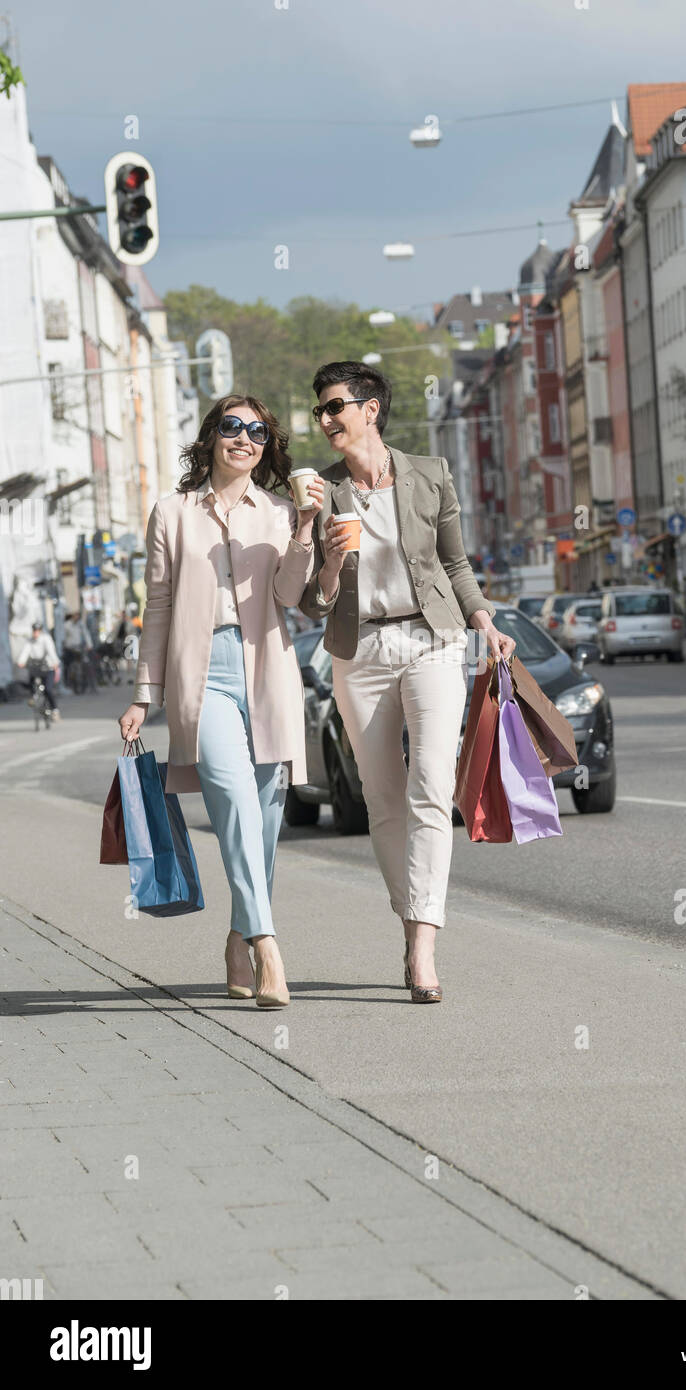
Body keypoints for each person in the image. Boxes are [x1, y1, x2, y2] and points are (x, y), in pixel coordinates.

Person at [298, 361, 516, 1004]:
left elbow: (454, 561)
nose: (326, 419)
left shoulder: (430, 474)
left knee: (430, 784)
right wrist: (328, 557)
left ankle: (423, 946)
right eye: (319, 410)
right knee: (381, 796)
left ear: (370, 408)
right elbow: (313, 602)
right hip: (359, 648)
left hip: (432, 639)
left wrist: (485, 622)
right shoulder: (321, 492)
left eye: (335, 405)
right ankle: (408, 918)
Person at [117, 395, 323, 1009]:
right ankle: (268, 946)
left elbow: (291, 594)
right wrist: (143, 694)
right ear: (211, 437)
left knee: (263, 820)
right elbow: (157, 606)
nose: (245, 439)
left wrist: (307, 528)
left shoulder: (281, 511)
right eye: (232, 427)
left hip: (267, 669)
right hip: (198, 670)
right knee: (232, 799)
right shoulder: (172, 513)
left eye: (257, 432)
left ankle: (236, 938)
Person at [16, 621, 60, 719]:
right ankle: (33, 697)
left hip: (48, 667)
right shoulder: (30, 641)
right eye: (34, 631)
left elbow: (51, 651)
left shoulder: (46, 639)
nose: (36, 633)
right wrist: (21, 661)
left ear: (40, 631)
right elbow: (25, 651)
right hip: (36, 667)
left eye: (37, 631)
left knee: (48, 689)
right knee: (31, 680)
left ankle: (55, 710)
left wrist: (55, 662)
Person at [63, 612, 94, 690]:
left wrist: (89, 644)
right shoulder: (67, 625)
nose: (76, 618)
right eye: (75, 616)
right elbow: (63, 637)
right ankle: (68, 682)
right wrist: (63, 645)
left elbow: (86, 634)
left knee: (85, 663)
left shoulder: (80, 625)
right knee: (68, 665)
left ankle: (88, 681)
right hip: (69, 648)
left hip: (79, 647)